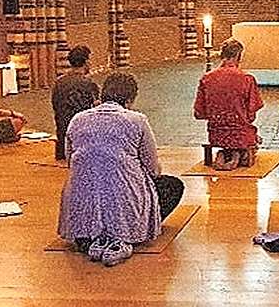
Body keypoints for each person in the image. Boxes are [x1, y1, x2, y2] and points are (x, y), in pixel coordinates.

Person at [58, 72, 184, 266]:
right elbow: (152, 169)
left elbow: (70, 161)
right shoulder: (137, 120)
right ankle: (124, 234)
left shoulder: (77, 119)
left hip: (82, 205)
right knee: (173, 186)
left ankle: (91, 236)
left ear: (103, 94)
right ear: (130, 99)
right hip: (123, 203)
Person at [193, 38, 263, 170]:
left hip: (216, 135)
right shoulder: (247, 79)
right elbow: (251, 115)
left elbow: (199, 113)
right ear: (238, 55)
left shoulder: (206, 78)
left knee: (246, 136)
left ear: (221, 55)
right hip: (241, 135)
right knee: (256, 139)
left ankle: (225, 153)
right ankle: (237, 153)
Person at [51, 45, 100, 160]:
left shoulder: (58, 83)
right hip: (82, 146)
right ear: (87, 62)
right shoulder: (89, 84)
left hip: (62, 145)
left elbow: (56, 109)